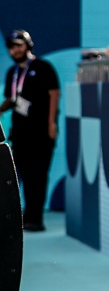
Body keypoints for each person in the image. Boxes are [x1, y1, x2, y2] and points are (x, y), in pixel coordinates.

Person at [1, 30, 59, 232]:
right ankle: (24, 217)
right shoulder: (12, 72)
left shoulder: (42, 67)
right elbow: (12, 99)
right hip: (20, 134)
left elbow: (54, 94)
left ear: (27, 45)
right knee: (20, 175)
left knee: (38, 175)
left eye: (19, 45)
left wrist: (52, 123)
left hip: (41, 133)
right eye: (11, 47)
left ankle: (36, 218)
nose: (15, 50)